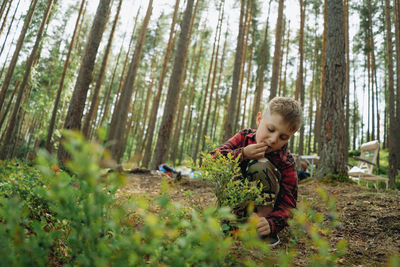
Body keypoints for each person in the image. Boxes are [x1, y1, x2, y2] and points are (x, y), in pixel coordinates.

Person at [210, 96, 303, 246]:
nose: (273, 140)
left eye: (283, 137)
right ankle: (231, 222)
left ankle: (260, 230)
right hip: (234, 207)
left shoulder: (286, 160)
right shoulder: (243, 137)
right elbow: (213, 159)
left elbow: (289, 203)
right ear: (259, 119)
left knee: (261, 165)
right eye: (270, 129)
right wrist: (243, 154)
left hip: (265, 217)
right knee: (229, 164)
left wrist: (272, 223)